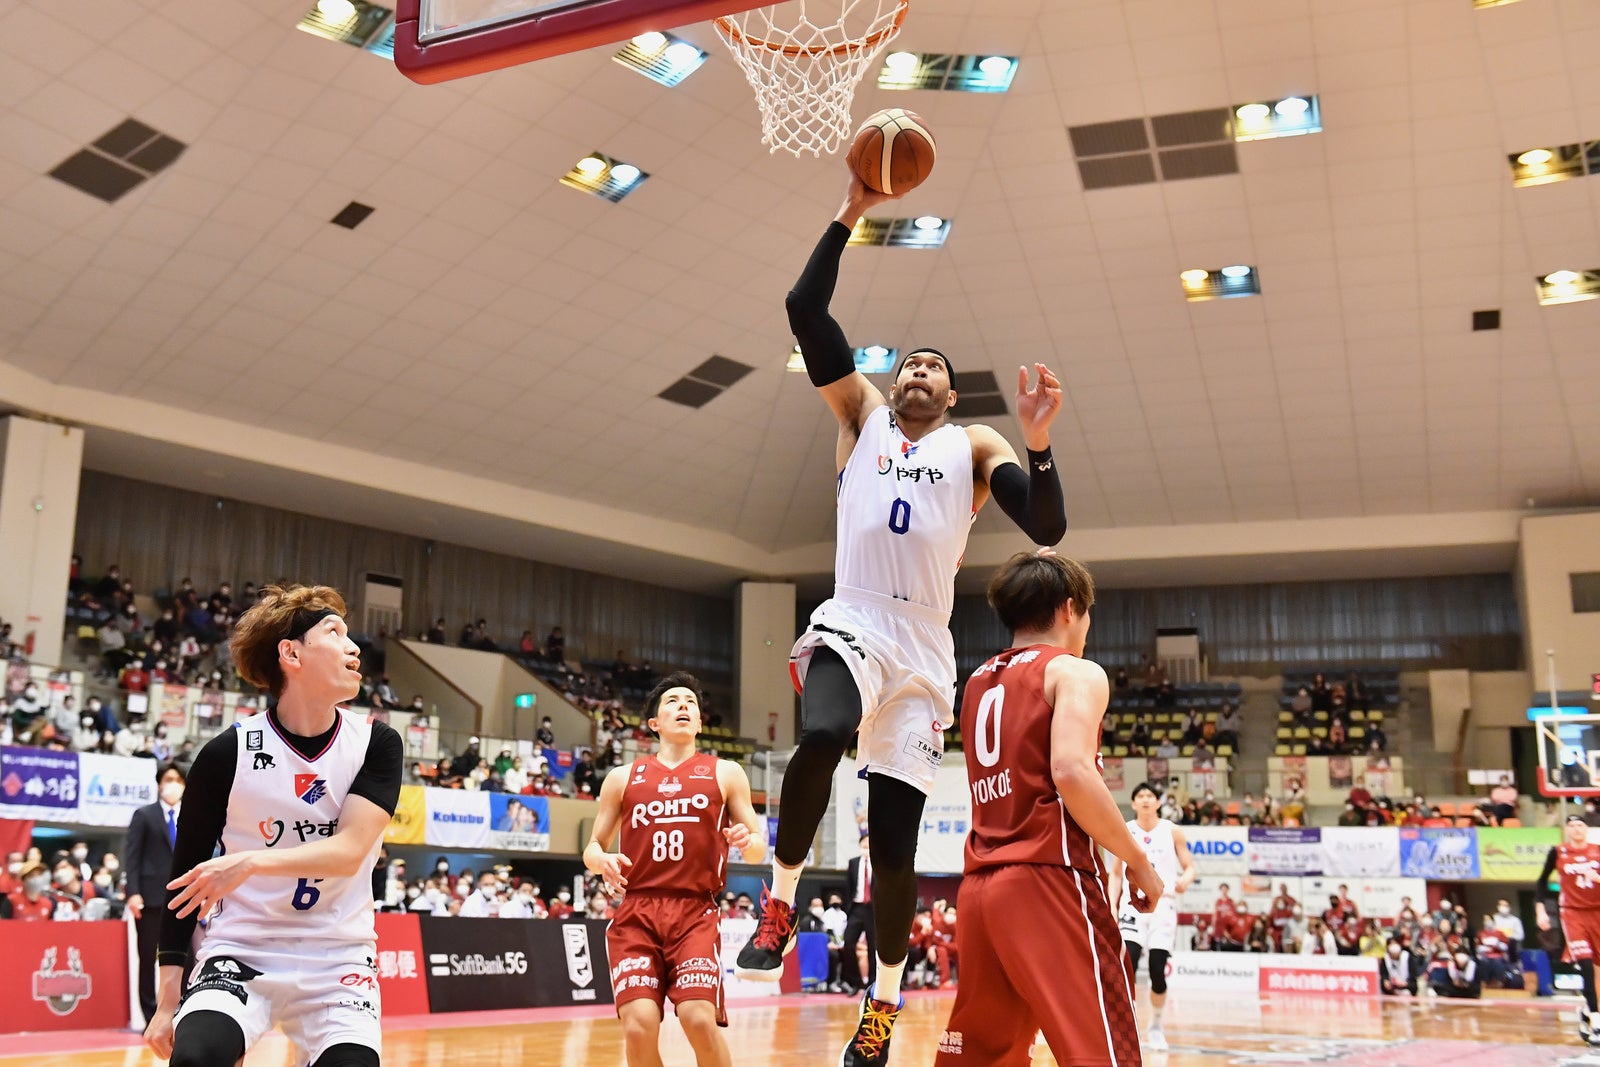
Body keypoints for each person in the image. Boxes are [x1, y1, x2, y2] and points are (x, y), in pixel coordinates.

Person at [737, 170, 1067, 1066]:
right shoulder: (861, 414)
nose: (919, 370)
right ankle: (781, 898)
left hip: (923, 649)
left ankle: (881, 1006)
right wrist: (851, 210)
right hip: (853, 617)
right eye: (910, 363)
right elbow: (804, 309)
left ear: (952, 396)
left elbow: (1045, 527)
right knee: (821, 732)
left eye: (935, 368)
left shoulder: (975, 445)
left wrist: (1038, 441)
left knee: (893, 849)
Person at [141, 585, 404, 1067]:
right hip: (242, 950)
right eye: (335, 632)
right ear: (291, 653)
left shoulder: (376, 744)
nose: (354, 648)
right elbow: (183, 883)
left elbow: (349, 851)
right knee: (195, 1057)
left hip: (339, 957)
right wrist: (166, 1003)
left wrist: (251, 861)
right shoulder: (227, 753)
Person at [930, 551, 1161, 1067]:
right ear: (1069, 608)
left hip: (980, 888)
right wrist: (1137, 860)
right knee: (1102, 1051)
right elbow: (1072, 771)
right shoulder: (1075, 673)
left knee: (982, 1055)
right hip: (1048, 878)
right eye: (1088, 613)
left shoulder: (978, 681)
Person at [584, 672, 764, 1067]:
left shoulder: (726, 772)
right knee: (638, 1026)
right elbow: (592, 848)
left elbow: (757, 848)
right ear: (654, 723)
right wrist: (602, 860)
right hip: (637, 913)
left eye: (690, 702)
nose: (683, 705)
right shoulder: (622, 778)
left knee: (698, 1019)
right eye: (672, 701)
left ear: (699, 723)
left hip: (694, 912)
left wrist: (747, 840)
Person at [1108, 781, 1195, 1051]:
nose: (1145, 799)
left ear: (1158, 802)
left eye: (1150, 795)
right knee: (1128, 964)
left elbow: (1189, 866)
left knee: (1157, 968)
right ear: (1134, 803)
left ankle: (1156, 1026)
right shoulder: (1125, 830)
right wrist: (1112, 905)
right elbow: (1115, 873)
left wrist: (1186, 880)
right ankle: (1127, 1025)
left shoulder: (1172, 830)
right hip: (1132, 905)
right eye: (1140, 795)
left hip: (1163, 904)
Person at [125, 762, 187, 1023]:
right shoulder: (144, 815)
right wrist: (133, 892)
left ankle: (183, 1011)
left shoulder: (191, 815)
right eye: (168, 779)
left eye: (178, 780)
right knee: (148, 956)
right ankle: (150, 1015)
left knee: (186, 956)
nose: (173, 784)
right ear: (159, 783)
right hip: (150, 898)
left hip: (183, 896)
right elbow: (132, 856)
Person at [1537, 815, 1600, 1045]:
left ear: (1587, 829)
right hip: (1572, 912)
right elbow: (1541, 881)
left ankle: (1587, 1011)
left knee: (1597, 972)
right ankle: (1597, 1022)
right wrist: (1540, 910)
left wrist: (1597, 878)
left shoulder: (1597, 850)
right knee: (1585, 963)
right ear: (1566, 830)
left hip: (1597, 912)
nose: (1576, 829)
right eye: (1571, 825)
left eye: (1580, 825)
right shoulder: (1558, 852)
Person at [840, 833, 876, 995]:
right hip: (856, 907)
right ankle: (855, 981)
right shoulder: (853, 863)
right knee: (848, 943)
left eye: (869, 844)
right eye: (864, 844)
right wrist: (847, 908)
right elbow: (848, 887)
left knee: (873, 946)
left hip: (873, 909)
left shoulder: (879, 863)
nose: (866, 847)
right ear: (860, 845)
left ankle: (873, 982)